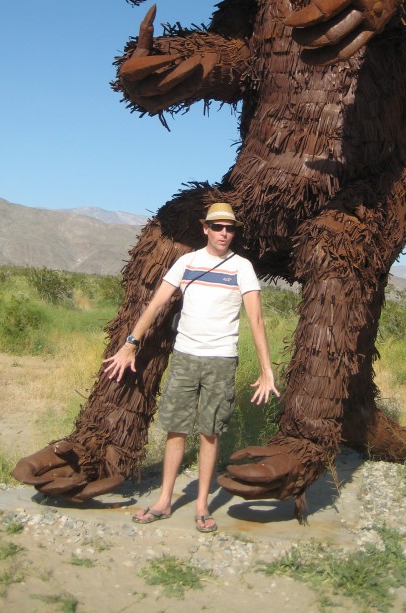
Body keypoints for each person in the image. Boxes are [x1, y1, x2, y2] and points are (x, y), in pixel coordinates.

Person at [103, 202, 280, 533]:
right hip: (185, 356)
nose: (224, 233)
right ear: (205, 229)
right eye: (218, 227)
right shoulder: (187, 262)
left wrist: (266, 369)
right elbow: (156, 303)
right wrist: (130, 344)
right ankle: (164, 501)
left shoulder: (242, 267)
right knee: (176, 429)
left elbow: (256, 318)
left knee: (209, 432)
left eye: (229, 228)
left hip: (221, 360)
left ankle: (201, 506)